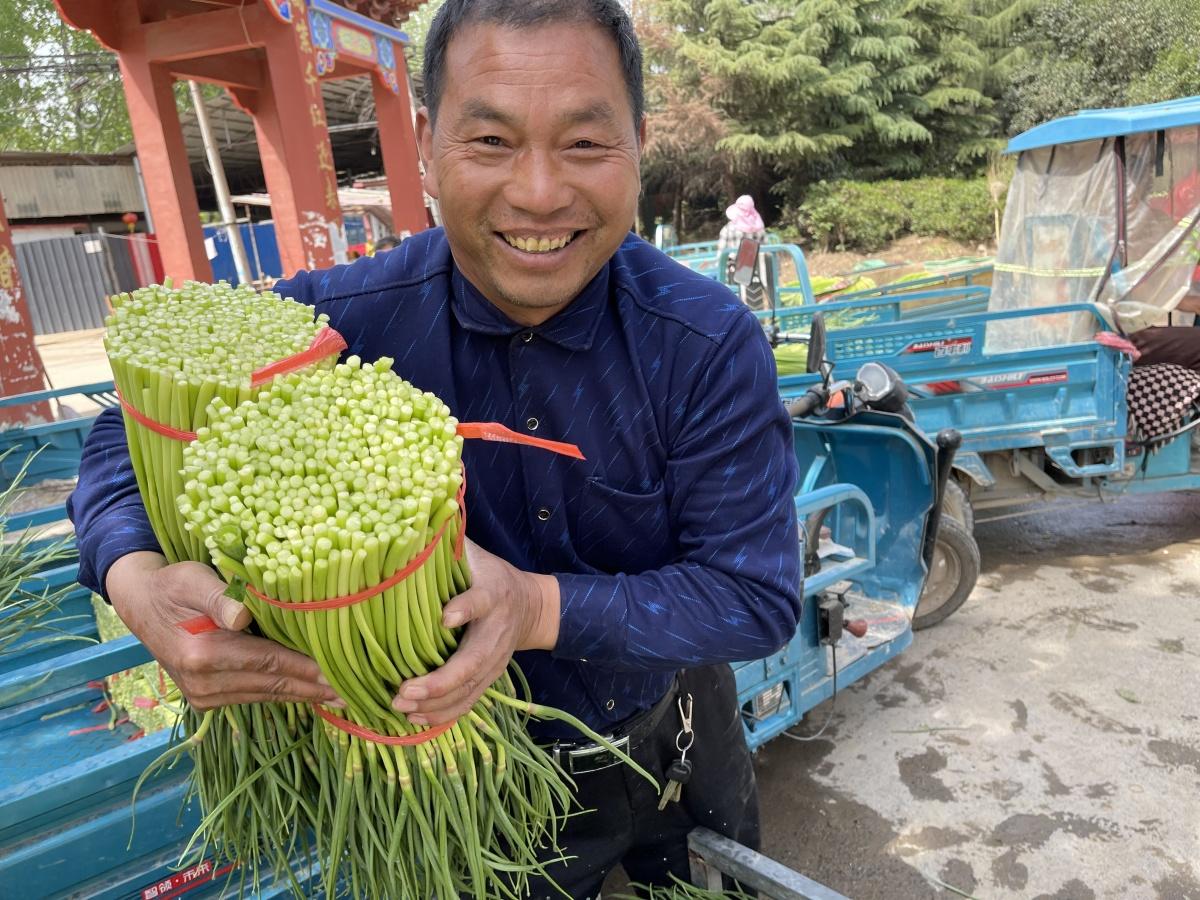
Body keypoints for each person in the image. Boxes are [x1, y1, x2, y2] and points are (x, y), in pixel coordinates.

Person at [67, 2, 801, 896]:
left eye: (583, 144)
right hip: (458, 781)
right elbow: (126, 424)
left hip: (671, 727)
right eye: (490, 141)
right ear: (424, 142)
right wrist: (132, 574)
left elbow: (754, 598)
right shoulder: (339, 322)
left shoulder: (705, 343)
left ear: (638, 144)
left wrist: (533, 607)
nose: (538, 193)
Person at [716, 194, 768, 310]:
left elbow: (721, 254)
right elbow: (766, 248)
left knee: (737, 301)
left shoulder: (728, 228)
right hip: (756, 270)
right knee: (755, 300)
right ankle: (759, 319)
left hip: (734, 270)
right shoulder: (759, 227)